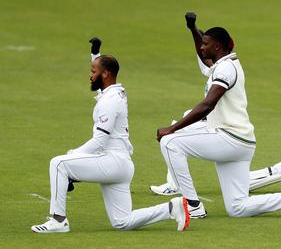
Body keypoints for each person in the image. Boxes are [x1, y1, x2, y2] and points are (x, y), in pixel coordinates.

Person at [155, 23, 281, 218]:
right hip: (240, 143)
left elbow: (208, 105)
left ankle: (192, 205)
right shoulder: (223, 65)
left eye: (206, 44)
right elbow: (204, 60)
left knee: (170, 142)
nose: (201, 48)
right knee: (237, 207)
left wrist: (171, 128)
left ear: (218, 47)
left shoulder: (226, 69)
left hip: (228, 139)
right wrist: (193, 29)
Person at [31, 41, 189, 233]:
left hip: (112, 162)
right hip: (119, 164)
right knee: (122, 222)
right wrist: (96, 54)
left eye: (93, 71)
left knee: (58, 163)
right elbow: (101, 82)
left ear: (105, 74)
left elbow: (99, 141)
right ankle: (172, 208)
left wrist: (73, 153)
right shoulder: (112, 92)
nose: (90, 75)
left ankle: (58, 221)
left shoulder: (110, 101)